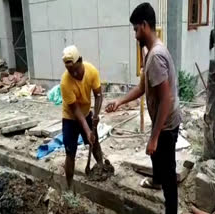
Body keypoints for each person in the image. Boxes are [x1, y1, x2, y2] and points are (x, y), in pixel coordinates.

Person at [105, 3, 181, 213]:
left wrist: (154, 136)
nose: (135, 35)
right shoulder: (151, 53)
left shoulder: (155, 57)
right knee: (156, 157)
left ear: (145, 26)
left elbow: (165, 99)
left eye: (135, 29)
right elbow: (142, 87)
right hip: (162, 119)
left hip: (166, 122)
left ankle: (171, 209)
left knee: (168, 171)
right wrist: (120, 101)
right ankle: (156, 181)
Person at [60, 45, 103, 189]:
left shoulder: (92, 71)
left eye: (76, 69)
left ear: (81, 61)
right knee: (70, 152)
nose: (74, 74)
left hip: (87, 113)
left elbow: (98, 95)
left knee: (94, 143)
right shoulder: (65, 82)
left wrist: (96, 115)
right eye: (70, 71)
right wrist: (87, 130)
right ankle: (69, 187)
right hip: (70, 118)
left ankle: (101, 168)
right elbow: (75, 110)